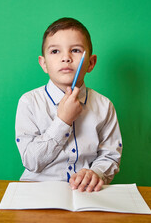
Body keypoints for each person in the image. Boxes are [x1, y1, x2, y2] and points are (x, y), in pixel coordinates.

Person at [15, 17, 122, 192]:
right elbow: (31, 161)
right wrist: (62, 121)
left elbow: (110, 156)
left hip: (86, 193)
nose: (66, 58)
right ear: (44, 64)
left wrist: (96, 173)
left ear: (91, 63)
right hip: (36, 192)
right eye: (55, 51)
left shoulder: (105, 106)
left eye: (75, 50)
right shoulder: (29, 102)